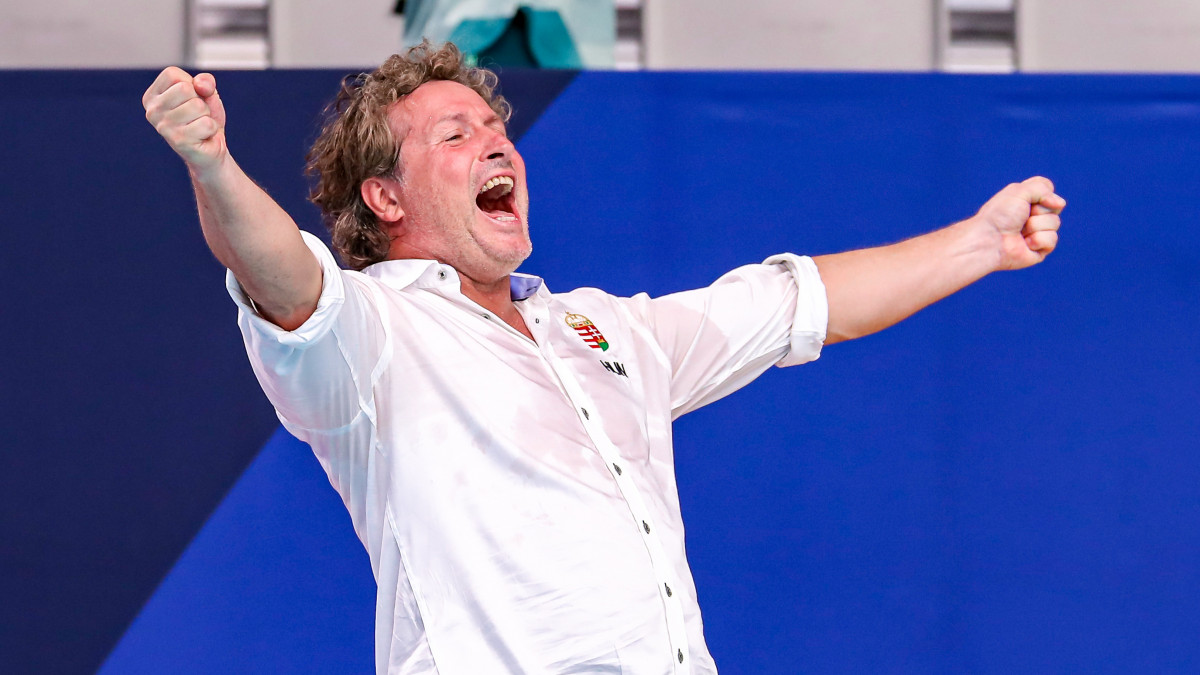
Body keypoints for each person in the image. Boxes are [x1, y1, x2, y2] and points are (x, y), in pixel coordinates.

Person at [142, 42, 1063, 675]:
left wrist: (980, 243)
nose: (495, 140)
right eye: (452, 135)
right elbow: (278, 270)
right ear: (384, 195)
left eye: (494, 128)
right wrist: (212, 163)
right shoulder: (367, 336)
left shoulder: (606, 331)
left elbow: (798, 303)